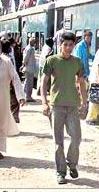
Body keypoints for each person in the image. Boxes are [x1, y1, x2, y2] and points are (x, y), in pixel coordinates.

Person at [41, 32, 87, 184]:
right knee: (58, 140)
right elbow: (44, 82)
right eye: (65, 44)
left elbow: (81, 82)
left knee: (76, 138)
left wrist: (84, 102)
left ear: (74, 45)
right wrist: (44, 102)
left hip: (73, 105)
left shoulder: (77, 62)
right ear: (60, 45)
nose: (68, 48)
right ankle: (60, 172)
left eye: (71, 45)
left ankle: (71, 164)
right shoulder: (51, 60)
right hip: (56, 105)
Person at [22, 37, 36, 102]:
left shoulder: (27, 48)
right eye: (34, 42)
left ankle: (25, 95)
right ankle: (28, 96)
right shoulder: (30, 49)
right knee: (29, 83)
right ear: (31, 42)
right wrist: (23, 64)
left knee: (26, 82)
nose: (35, 43)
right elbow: (26, 58)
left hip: (28, 67)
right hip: (29, 68)